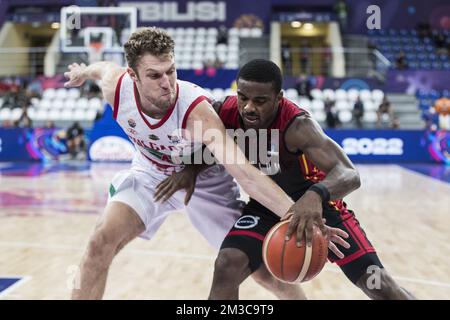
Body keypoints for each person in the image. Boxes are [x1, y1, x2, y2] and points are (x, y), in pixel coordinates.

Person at [63, 28, 347, 299]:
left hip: (205, 182)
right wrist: (82, 72)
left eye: (171, 71)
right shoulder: (116, 87)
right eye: (155, 75)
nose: (167, 83)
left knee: (263, 270)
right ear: (133, 76)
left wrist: (297, 215)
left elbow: (246, 175)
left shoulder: (197, 112)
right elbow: (101, 68)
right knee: (99, 243)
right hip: (150, 174)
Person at [156, 59, 416, 300]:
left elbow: (349, 173)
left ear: (278, 98)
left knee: (378, 285)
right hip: (266, 206)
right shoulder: (225, 111)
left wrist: (315, 195)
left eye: (260, 101)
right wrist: (190, 170)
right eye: (243, 97)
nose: (248, 107)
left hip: (321, 209)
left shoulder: (298, 125)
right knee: (227, 264)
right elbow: (211, 146)